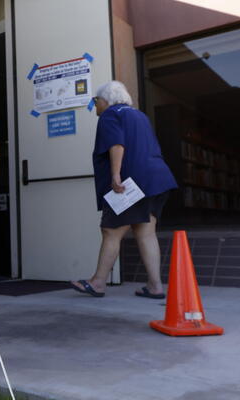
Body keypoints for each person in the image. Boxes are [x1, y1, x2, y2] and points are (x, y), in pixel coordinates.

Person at [71, 80, 177, 298]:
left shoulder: (111, 114)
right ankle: (156, 286)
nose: (95, 106)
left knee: (111, 230)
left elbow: (117, 144)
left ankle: (98, 282)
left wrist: (116, 175)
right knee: (146, 231)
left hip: (133, 182)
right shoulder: (140, 116)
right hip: (158, 179)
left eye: (95, 101)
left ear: (105, 100)